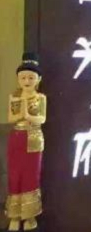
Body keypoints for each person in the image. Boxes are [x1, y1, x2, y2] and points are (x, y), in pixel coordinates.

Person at [6, 53, 46, 231]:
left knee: (32, 175)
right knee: (15, 175)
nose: (27, 81)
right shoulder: (14, 97)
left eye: (31, 77)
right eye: (23, 77)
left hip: (34, 137)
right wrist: (22, 113)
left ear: (38, 79)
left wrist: (27, 115)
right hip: (17, 137)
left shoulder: (40, 97)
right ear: (18, 79)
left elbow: (42, 119)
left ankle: (29, 215)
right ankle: (14, 215)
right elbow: (11, 118)